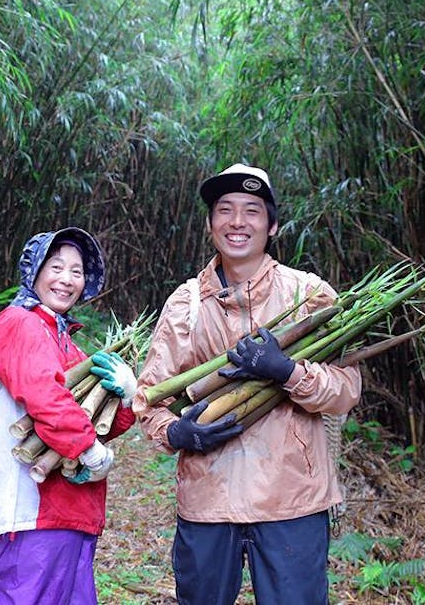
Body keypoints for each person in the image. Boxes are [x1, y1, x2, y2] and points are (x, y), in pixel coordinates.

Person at [132, 164, 362, 605]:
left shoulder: (309, 296)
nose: (238, 222)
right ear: (209, 224)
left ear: (272, 226)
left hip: (291, 499)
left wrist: (287, 371)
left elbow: (346, 389)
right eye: (225, 210)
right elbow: (149, 399)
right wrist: (177, 432)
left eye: (252, 211)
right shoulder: (185, 305)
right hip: (207, 499)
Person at [0, 227, 138, 605]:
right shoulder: (19, 323)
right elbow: (45, 398)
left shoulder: (63, 339)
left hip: (68, 510)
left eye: (77, 271)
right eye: (56, 266)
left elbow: (102, 421)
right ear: (34, 271)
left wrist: (128, 397)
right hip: (31, 510)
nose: (66, 279)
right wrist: (87, 450)